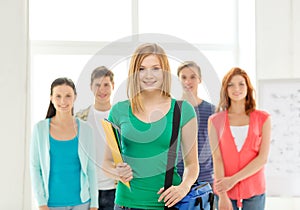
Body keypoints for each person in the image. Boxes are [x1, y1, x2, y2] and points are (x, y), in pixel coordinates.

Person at [103, 43, 199, 209]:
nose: (148, 75)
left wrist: (183, 188)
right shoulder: (119, 110)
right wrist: (116, 172)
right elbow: (106, 162)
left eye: (155, 68)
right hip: (126, 204)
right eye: (141, 69)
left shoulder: (183, 110)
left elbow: (192, 165)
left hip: (167, 204)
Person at [208, 67, 271, 210]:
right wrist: (223, 195)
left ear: (248, 87)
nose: (236, 88)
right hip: (225, 192)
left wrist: (233, 180)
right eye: (231, 84)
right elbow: (217, 158)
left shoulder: (263, 118)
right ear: (225, 89)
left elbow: (262, 158)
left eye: (241, 84)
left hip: (254, 190)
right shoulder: (215, 121)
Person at [30, 77, 98, 210]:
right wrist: (41, 203)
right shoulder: (40, 129)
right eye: (58, 96)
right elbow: (35, 167)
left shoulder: (86, 129)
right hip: (51, 204)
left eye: (68, 96)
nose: (63, 101)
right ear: (51, 98)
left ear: (75, 97)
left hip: (82, 203)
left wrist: (94, 205)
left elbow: (91, 168)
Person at [76, 66, 117, 210]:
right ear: (91, 87)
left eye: (106, 85)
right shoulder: (80, 118)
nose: (102, 90)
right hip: (86, 188)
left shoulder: (121, 118)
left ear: (113, 86)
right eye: (97, 85)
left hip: (115, 187)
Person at [177, 61, 215, 188]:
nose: (188, 81)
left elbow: (217, 146)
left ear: (200, 80)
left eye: (193, 77)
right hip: (177, 178)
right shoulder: (171, 109)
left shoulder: (211, 110)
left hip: (205, 179)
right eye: (183, 77)